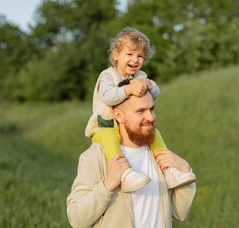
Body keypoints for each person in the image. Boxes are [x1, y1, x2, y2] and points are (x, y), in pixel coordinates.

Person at [67, 81, 196, 227]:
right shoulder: (95, 157)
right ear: (118, 116)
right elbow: (76, 219)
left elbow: (180, 213)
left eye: (151, 109)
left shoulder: (159, 155)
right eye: (140, 111)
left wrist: (185, 171)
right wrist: (108, 185)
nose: (151, 117)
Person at [85, 27, 196, 193]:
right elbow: (107, 96)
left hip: (129, 128)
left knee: (155, 134)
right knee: (109, 135)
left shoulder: (140, 76)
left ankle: (168, 171)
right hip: (104, 127)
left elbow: (156, 93)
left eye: (140, 56)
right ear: (116, 55)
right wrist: (128, 90)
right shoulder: (108, 76)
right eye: (129, 54)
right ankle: (125, 174)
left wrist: (149, 84)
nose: (135, 60)